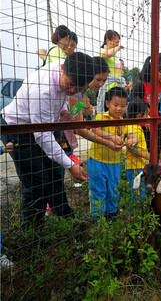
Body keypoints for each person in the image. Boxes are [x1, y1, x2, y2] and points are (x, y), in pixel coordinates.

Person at [1, 52, 95, 228]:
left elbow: (58, 106)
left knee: (53, 174)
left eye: (79, 88)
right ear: (62, 69)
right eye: (71, 85)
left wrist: (64, 112)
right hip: (18, 129)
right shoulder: (42, 89)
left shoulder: (66, 69)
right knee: (36, 182)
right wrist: (70, 165)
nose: (73, 91)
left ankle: (66, 218)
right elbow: (42, 136)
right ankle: (33, 232)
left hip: (39, 127)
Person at [87, 87, 138, 220]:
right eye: (115, 105)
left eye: (122, 105)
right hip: (97, 161)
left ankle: (111, 214)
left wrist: (132, 141)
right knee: (98, 189)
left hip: (114, 164)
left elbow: (133, 136)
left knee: (113, 189)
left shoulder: (124, 122)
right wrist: (111, 137)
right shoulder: (101, 116)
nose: (119, 109)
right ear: (107, 103)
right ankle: (97, 218)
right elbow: (95, 130)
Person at [126, 98, 150, 200]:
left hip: (139, 165)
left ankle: (140, 211)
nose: (148, 117)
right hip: (134, 166)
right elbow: (132, 149)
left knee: (140, 191)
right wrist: (147, 156)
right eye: (146, 114)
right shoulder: (131, 128)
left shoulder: (137, 127)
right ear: (139, 116)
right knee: (136, 192)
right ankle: (132, 214)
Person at [96, 30, 126, 113]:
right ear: (108, 41)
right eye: (116, 42)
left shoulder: (116, 58)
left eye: (118, 42)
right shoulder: (101, 51)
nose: (117, 44)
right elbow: (107, 54)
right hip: (107, 91)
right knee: (107, 115)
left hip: (117, 91)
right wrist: (117, 48)